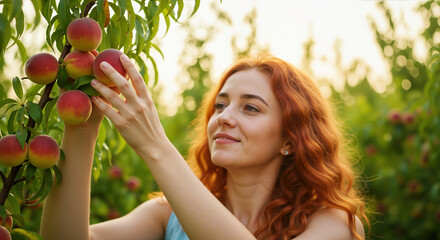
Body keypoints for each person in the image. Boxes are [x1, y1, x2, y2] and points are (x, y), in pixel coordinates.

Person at [41, 54, 368, 240]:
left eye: (250, 108)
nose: (224, 117)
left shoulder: (334, 223)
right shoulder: (168, 216)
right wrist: (82, 129)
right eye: (221, 105)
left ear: (289, 139)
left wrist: (157, 147)